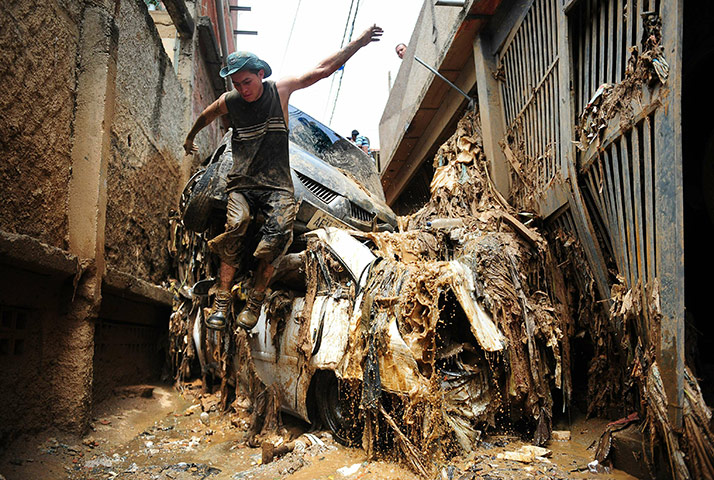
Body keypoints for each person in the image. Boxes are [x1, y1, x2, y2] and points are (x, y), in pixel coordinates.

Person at [183, 25, 384, 331]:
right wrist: (189, 139)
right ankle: (221, 301)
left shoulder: (280, 90)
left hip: (277, 185)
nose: (243, 89)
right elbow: (206, 115)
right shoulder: (231, 100)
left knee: (278, 236)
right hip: (243, 183)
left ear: (261, 74)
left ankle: (255, 301)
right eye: (237, 84)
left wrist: (359, 42)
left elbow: (322, 69)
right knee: (236, 225)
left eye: (247, 82)